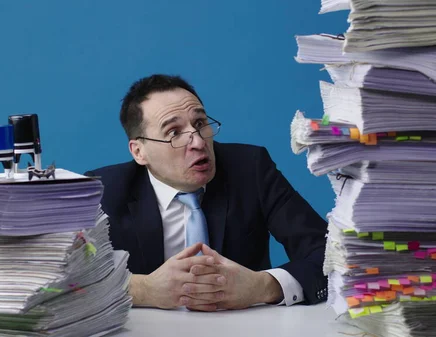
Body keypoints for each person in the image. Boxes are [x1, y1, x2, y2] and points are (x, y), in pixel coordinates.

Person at [85, 74, 328, 312]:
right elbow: (61, 282)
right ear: (139, 152)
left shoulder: (250, 169)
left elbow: (331, 255)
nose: (198, 142)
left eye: (200, 124)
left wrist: (263, 286)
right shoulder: (101, 192)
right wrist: (145, 289)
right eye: (174, 133)